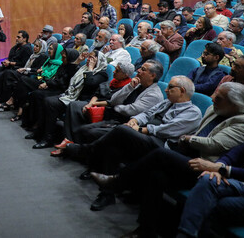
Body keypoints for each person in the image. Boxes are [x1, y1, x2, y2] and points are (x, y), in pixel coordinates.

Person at [93, 82, 244, 236]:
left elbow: (214, 145)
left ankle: (118, 181)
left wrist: (187, 139)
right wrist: (188, 141)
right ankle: (145, 231)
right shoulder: (214, 109)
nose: (212, 99)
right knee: (156, 175)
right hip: (188, 156)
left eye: (219, 98)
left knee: (159, 154)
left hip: (208, 169)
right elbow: (200, 135)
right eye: (215, 94)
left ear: (235, 105)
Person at [66, 75, 202, 210]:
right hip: (146, 138)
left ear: (182, 91)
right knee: (114, 148)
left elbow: (168, 130)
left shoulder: (193, 112)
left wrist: (141, 129)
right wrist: (135, 120)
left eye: (170, 87)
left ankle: (87, 150)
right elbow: (147, 113)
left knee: (121, 130)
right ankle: (107, 195)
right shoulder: (167, 102)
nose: (166, 90)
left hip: (162, 145)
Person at [174, 102, 244, 237]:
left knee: (214, 204)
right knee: (207, 179)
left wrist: (224, 169)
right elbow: (236, 153)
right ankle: (185, 234)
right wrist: (218, 167)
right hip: (237, 183)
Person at [56, 60, 163, 153]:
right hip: (114, 117)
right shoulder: (136, 84)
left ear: (152, 75)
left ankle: (80, 152)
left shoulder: (154, 94)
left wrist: (116, 107)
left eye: (143, 69)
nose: (138, 70)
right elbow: (114, 100)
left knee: (88, 131)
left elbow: (131, 110)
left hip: (124, 123)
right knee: (81, 124)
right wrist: (129, 87)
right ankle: (74, 147)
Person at [28, 51, 109, 149]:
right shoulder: (83, 68)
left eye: (91, 58)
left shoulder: (102, 74)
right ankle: (39, 132)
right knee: (45, 100)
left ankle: (48, 139)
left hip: (82, 100)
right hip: (71, 95)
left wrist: (91, 69)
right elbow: (69, 74)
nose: (88, 60)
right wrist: (78, 61)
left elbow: (90, 83)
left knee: (50, 102)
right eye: (88, 58)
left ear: (98, 60)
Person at [0, 39, 49, 121]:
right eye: (35, 45)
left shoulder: (43, 56)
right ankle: (7, 101)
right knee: (9, 75)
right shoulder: (33, 55)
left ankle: (11, 101)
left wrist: (25, 69)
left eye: (37, 46)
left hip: (31, 76)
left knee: (16, 78)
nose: (35, 48)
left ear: (42, 48)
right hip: (25, 73)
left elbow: (37, 70)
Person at [0, 30, 32, 103]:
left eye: (19, 37)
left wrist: (10, 63)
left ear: (25, 39)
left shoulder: (27, 49)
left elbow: (23, 64)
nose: (16, 38)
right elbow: (10, 57)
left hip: (15, 69)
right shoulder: (16, 47)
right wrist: (6, 61)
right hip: (7, 66)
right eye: (17, 36)